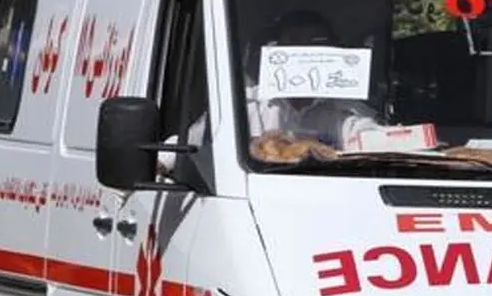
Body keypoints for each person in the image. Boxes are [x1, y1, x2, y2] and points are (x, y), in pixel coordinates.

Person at [158, 9, 382, 175]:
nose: (304, 50)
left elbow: (372, 140)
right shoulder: (243, 106)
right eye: (294, 41)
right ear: (276, 49)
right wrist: (160, 162)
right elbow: (189, 142)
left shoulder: (345, 111)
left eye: (315, 42)